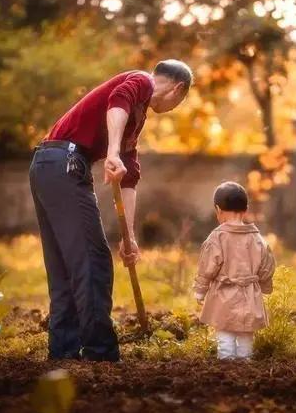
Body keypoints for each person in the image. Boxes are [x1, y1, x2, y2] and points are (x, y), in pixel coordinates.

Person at [29, 60, 193, 361]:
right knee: (93, 260)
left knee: (67, 265)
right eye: (179, 103)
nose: (173, 108)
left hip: (48, 165)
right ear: (179, 89)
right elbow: (118, 99)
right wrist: (113, 153)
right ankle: (100, 352)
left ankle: (64, 352)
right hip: (64, 163)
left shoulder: (135, 121)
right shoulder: (142, 82)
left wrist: (129, 237)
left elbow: (129, 177)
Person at [193, 181, 276, 360]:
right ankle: (245, 363)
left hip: (224, 295)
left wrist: (200, 291)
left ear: (218, 210)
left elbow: (207, 267)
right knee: (246, 332)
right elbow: (267, 266)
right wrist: (265, 286)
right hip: (250, 295)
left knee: (225, 331)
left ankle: (226, 362)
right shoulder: (258, 239)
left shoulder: (217, 238)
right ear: (246, 209)